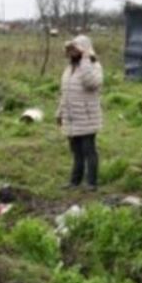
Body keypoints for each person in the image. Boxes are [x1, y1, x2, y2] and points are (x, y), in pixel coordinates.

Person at [56, 34, 103, 191]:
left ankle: (91, 182)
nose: (72, 53)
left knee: (89, 150)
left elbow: (91, 83)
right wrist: (60, 112)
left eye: (76, 50)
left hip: (87, 117)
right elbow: (65, 92)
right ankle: (74, 181)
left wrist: (85, 60)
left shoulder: (94, 66)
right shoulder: (69, 69)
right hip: (72, 117)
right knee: (76, 152)